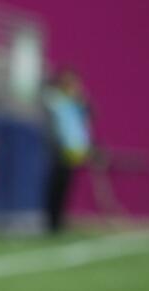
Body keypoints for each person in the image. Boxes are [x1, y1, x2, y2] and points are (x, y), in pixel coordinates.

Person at [43, 69, 92, 233]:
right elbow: (53, 126)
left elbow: (85, 120)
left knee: (65, 187)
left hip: (72, 151)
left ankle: (58, 221)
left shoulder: (75, 104)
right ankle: (51, 222)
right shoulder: (55, 102)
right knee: (55, 187)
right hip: (57, 150)